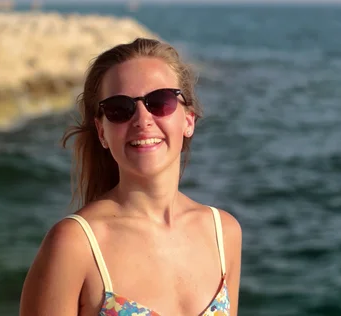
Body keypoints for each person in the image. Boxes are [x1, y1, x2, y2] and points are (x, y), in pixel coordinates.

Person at [19, 38, 242, 316]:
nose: (142, 119)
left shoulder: (224, 233)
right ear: (102, 132)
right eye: (119, 108)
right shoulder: (74, 245)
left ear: (188, 120)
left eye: (161, 101)